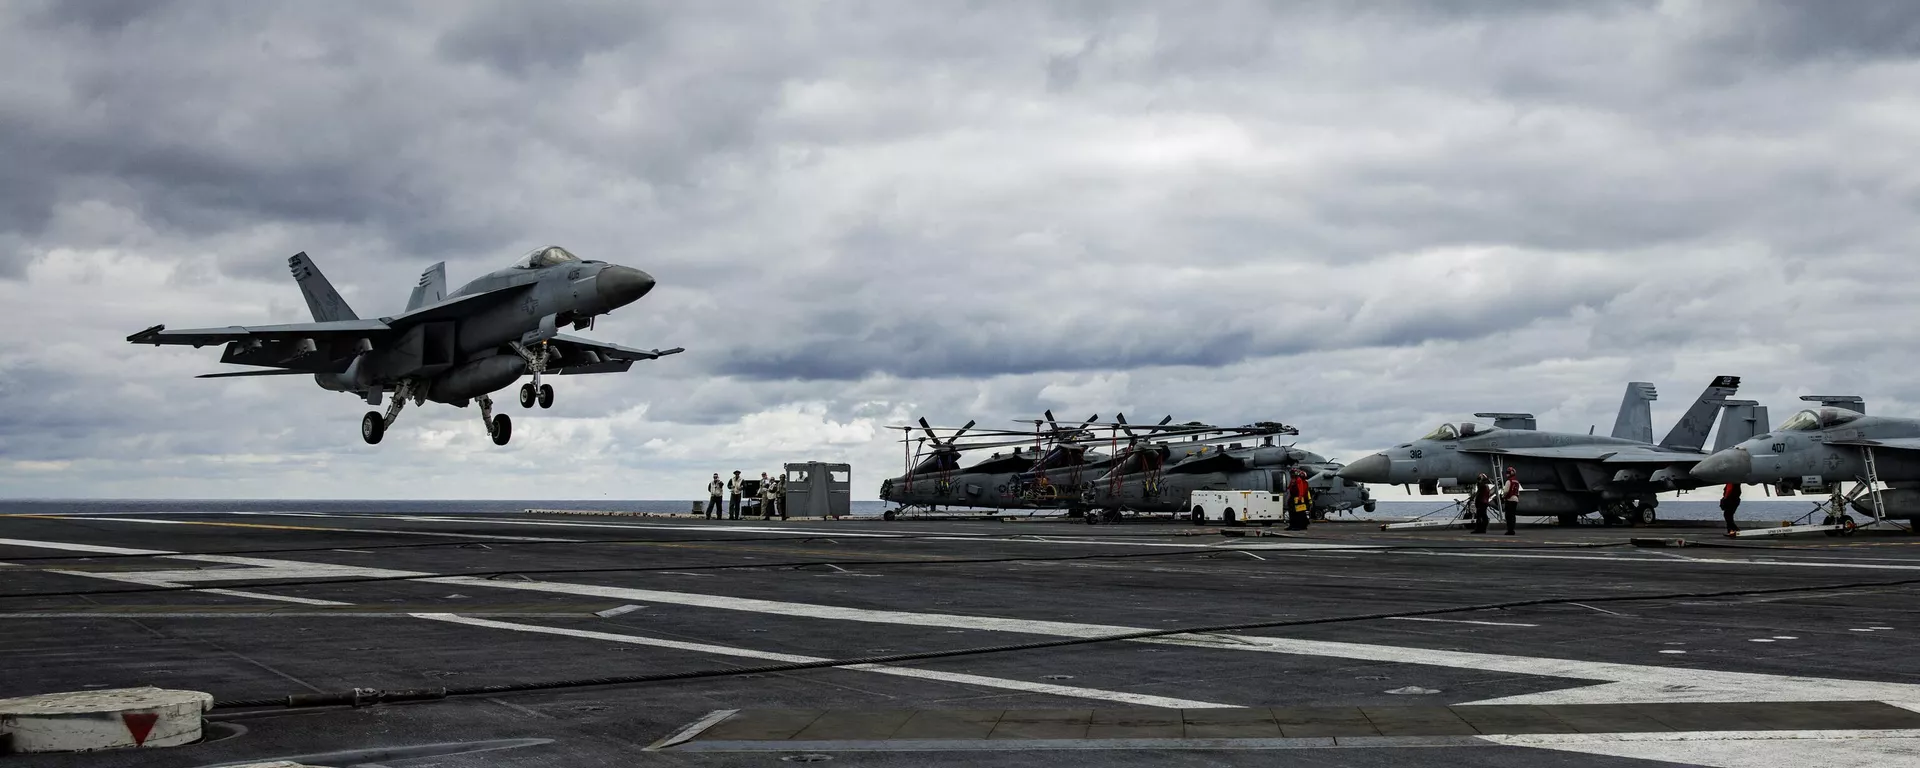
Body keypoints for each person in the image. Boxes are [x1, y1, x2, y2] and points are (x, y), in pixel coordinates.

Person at [1502, 466, 1521, 535]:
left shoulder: (1508, 481)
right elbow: (1517, 492)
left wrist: (1503, 496)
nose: (1507, 474)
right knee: (1513, 516)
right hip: (1515, 499)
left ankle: (1509, 530)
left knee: (1508, 516)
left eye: (1508, 472)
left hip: (1509, 499)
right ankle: (1512, 529)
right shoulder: (1516, 481)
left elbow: (1506, 491)